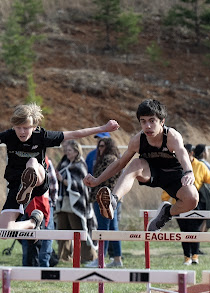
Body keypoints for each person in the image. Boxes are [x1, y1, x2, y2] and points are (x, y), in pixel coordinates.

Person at [0, 103, 119, 233]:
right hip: (17, 186)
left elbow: (75, 134)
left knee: (32, 162)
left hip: (39, 180)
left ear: (34, 126)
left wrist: (103, 129)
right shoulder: (10, 135)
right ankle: (33, 222)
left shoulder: (41, 136)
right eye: (18, 127)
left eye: (26, 128)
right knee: (3, 231)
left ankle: (30, 180)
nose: (21, 132)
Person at [84, 99, 197, 233]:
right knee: (135, 163)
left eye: (152, 121)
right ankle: (112, 201)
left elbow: (182, 153)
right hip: (150, 173)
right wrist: (97, 180)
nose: (147, 126)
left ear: (162, 121)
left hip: (174, 176)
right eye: (143, 121)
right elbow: (120, 163)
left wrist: (189, 172)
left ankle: (166, 212)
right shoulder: (137, 140)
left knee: (192, 200)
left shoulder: (172, 136)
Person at [162, 143, 210, 265]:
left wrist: (202, 193)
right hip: (179, 203)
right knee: (184, 231)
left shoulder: (201, 166)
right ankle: (187, 257)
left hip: (197, 203)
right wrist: (165, 199)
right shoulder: (175, 166)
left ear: (191, 153)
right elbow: (168, 184)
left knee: (195, 230)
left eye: (185, 153)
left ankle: (195, 256)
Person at [54, 140, 96, 265]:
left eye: (70, 151)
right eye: (66, 150)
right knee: (62, 231)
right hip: (63, 203)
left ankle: (88, 257)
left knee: (80, 231)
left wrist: (63, 179)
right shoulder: (63, 163)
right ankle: (64, 256)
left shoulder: (80, 165)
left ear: (77, 151)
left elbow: (81, 185)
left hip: (76, 203)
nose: (67, 153)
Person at [88, 136, 123, 267]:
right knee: (112, 228)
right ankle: (117, 259)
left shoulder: (109, 159)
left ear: (108, 147)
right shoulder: (113, 159)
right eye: (99, 146)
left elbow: (101, 178)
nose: (100, 149)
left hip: (104, 198)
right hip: (111, 197)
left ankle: (101, 259)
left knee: (104, 228)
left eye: (102, 146)